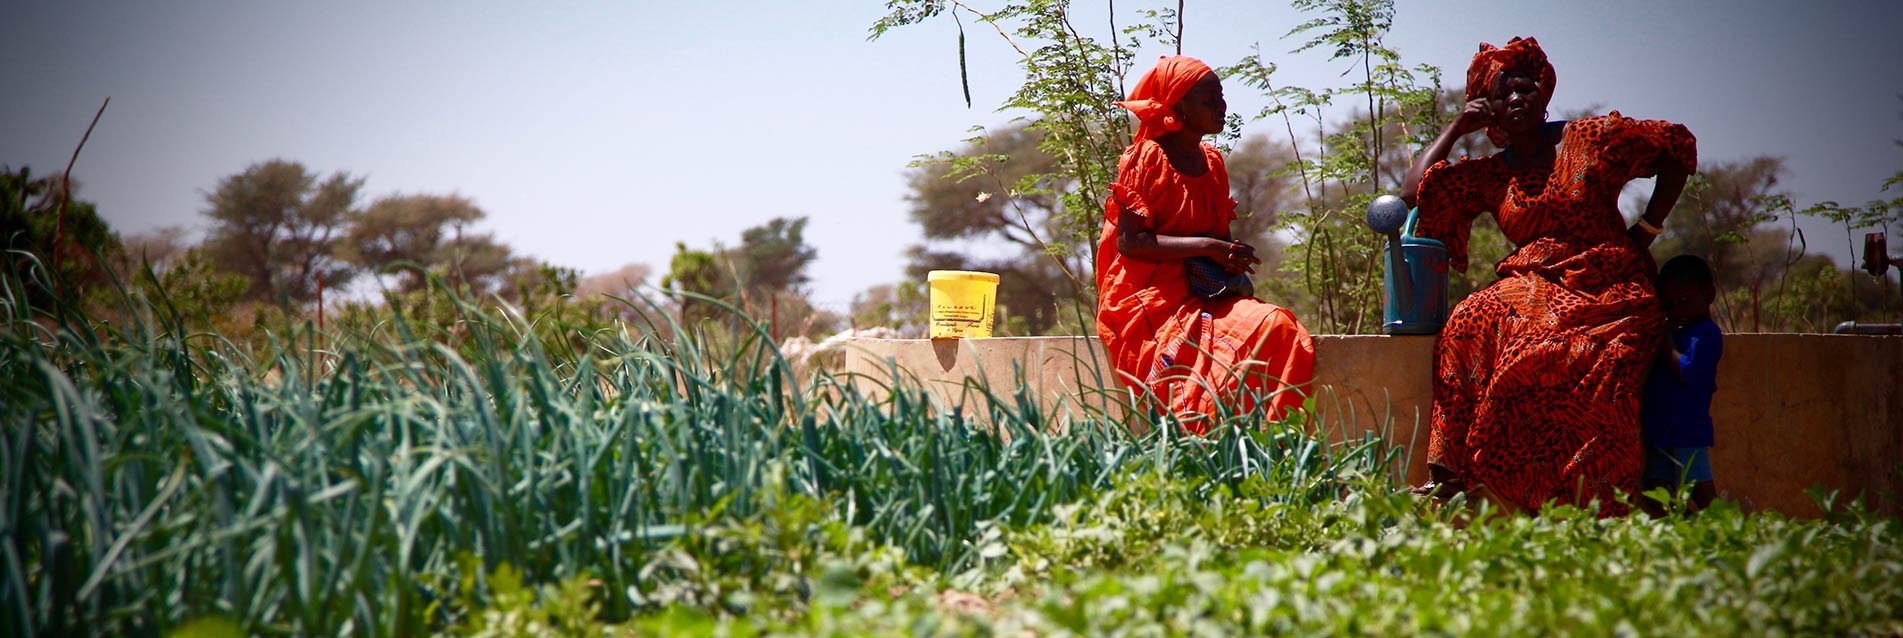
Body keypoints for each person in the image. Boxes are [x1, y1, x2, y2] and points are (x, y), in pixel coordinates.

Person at [1398, 37, 1698, 514]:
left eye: (1526, 89)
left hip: (1609, 279)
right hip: (1533, 280)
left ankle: (1582, 497)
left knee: (1556, 348)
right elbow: (1414, 194)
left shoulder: (1589, 139)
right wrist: (1456, 127)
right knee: (1467, 320)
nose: (1517, 99)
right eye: (1504, 94)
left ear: (1543, 95)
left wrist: (1647, 229)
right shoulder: (1494, 174)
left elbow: (1677, 149)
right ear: (1489, 110)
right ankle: (1449, 477)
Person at [1095, 55, 1316, 433]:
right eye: (1209, 99)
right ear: (1179, 105)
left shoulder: (1213, 162)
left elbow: (1216, 240)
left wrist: (1228, 255)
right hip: (1147, 297)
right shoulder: (1146, 157)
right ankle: (1196, 449)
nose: (1221, 107)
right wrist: (1208, 248)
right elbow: (1132, 242)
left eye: (1221, 96)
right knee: (1192, 359)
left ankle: (1273, 445)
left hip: (1202, 293)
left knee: (1276, 325)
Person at [1638, 255, 1722, 515]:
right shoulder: (1679, 332)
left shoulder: (1706, 333)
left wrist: (1667, 345)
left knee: (1700, 490)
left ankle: (1726, 532)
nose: (1678, 310)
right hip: (1661, 431)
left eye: (1685, 302)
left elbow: (1689, 371)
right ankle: (1686, 530)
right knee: (1655, 491)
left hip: (1687, 432)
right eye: (1670, 305)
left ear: (1709, 293)